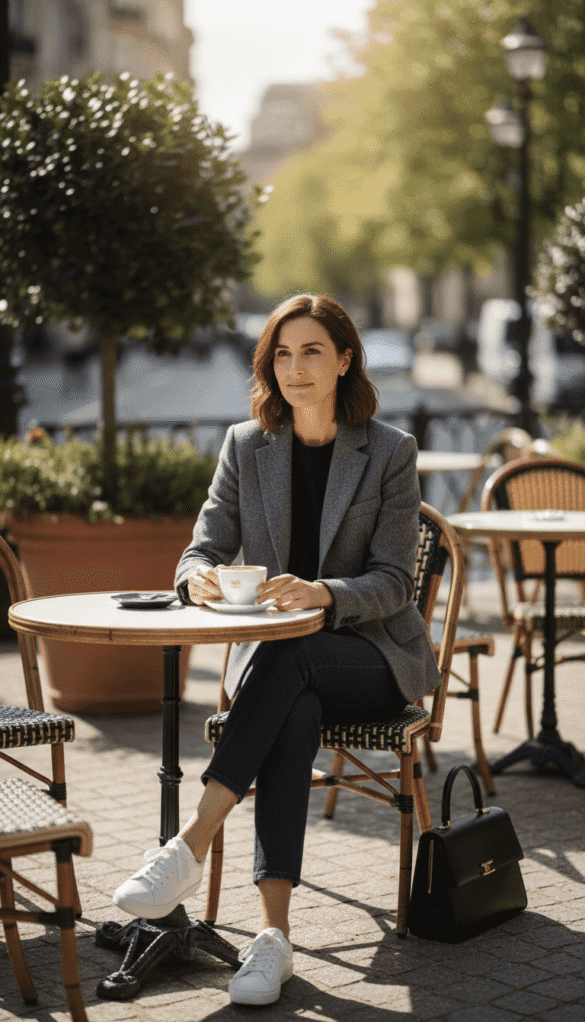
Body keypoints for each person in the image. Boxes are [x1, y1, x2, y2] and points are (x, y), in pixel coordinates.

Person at [113, 294, 440, 1006]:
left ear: (344, 359)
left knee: (291, 663)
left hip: (373, 659)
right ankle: (273, 939)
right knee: (290, 707)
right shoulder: (244, 445)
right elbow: (201, 545)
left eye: (312, 351)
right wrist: (194, 576)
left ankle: (189, 844)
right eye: (282, 354)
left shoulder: (389, 451)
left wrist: (323, 594)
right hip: (279, 671)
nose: (295, 368)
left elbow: (392, 581)